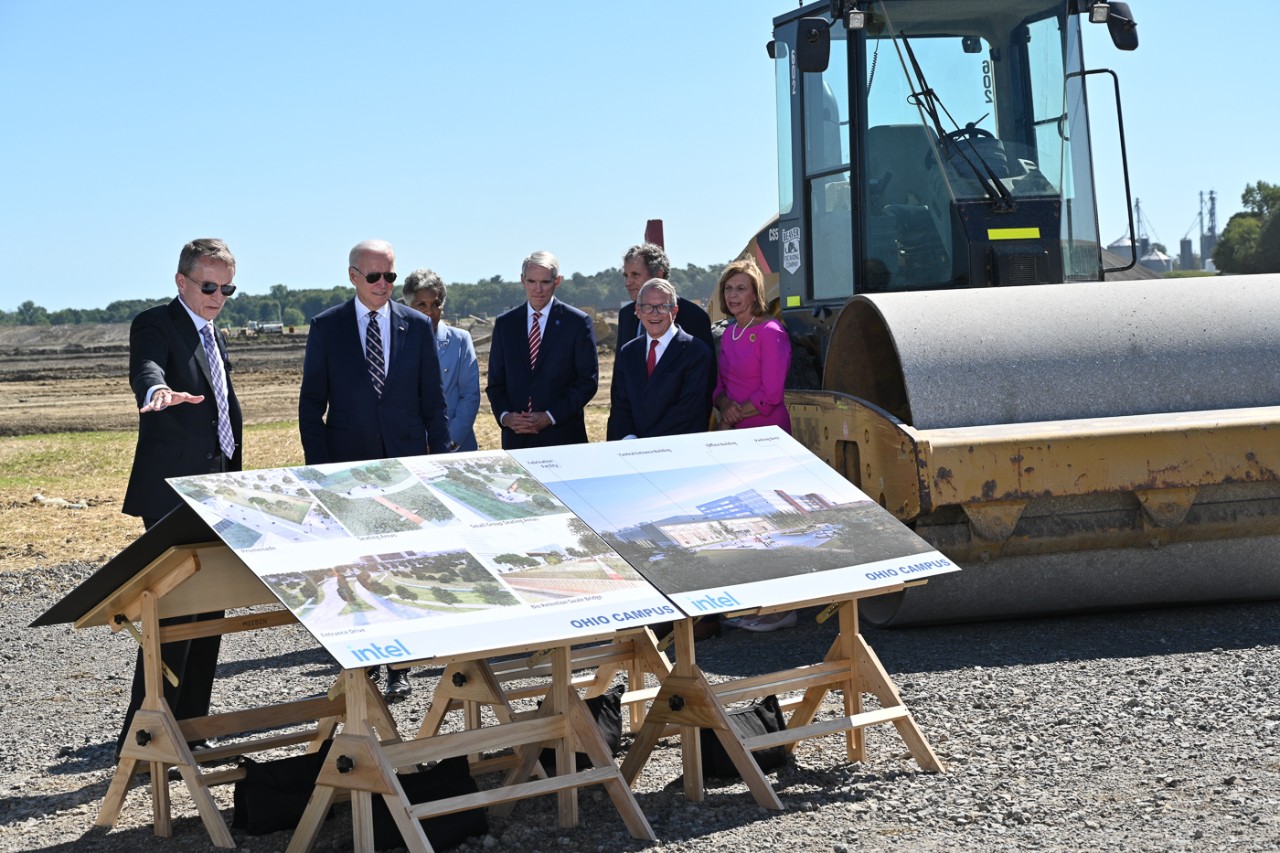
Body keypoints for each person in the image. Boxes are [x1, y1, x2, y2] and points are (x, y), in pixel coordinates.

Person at [299, 239, 455, 699]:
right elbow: (312, 405)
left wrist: (441, 459)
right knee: (355, 568)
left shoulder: (415, 326)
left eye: (390, 277)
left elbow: (434, 400)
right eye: (374, 277)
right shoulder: (327, 327)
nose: (384, 285)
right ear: (353, 276)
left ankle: (399, 663)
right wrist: (318, 473)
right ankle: (360, 660)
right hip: (346, 470)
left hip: (405, 467)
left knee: (398, 565)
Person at [117, 238, 243, 756]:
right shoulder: (156, 323)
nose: (217, 296)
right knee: (172, 618)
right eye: (209, 286)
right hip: (173, 493)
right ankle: (145, 737)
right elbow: (147, 368)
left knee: (209, 614)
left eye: (226, 288)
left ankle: (190, 729)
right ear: (182, 282)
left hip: (218, 490)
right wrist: (156, 392)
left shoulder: (214, 333)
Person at [712, 257, 796, 632]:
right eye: (729, 288)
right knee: (745, 521)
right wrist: (724, 406)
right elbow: (719, 386)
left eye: (741, 288)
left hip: (764, 435)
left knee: (771, 520)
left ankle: (781, 609)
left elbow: (772, 392)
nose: (734, 295)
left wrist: (738, 412)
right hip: (735, 436)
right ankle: (753, 602)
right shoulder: (728, 332)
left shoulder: (770, 332)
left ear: (756, 292)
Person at [486, 250, 599, 450]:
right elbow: (496, 383)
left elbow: (587, 382)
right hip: (516, 440)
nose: (538, 289)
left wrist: (550, 416)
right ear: (522, 281)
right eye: (531, 281)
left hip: (563, 438)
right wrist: (506, 417)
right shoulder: (506, 324)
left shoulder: (577, 323)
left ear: (558, 281)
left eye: (545, 282)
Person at [607, 278, 712, 440]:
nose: (654, 313)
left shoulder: (696, 352)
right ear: (638, 311)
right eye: (647, 307)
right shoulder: (628, 352)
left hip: (678, 449)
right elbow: (621, 404)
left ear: (675, 311)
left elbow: (689, 412)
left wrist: (650, 446)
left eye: (662, 307)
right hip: (633, 450)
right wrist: (630, 439)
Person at [402, 269, 481, 452]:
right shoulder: (395, 342)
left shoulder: (460, 340)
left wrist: (449, 441)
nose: (429, 311)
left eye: (436, 304)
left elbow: (469, 395)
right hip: (409, 446)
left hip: (455, 447)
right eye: (421, 304)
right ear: (407, 306)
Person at [616, 243, 715, 358]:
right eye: (626, 275)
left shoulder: (694, 317)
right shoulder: (626, 315)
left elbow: (705, 369)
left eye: (635, 275)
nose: (628, 282)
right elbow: (620, 369)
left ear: (658, 274)